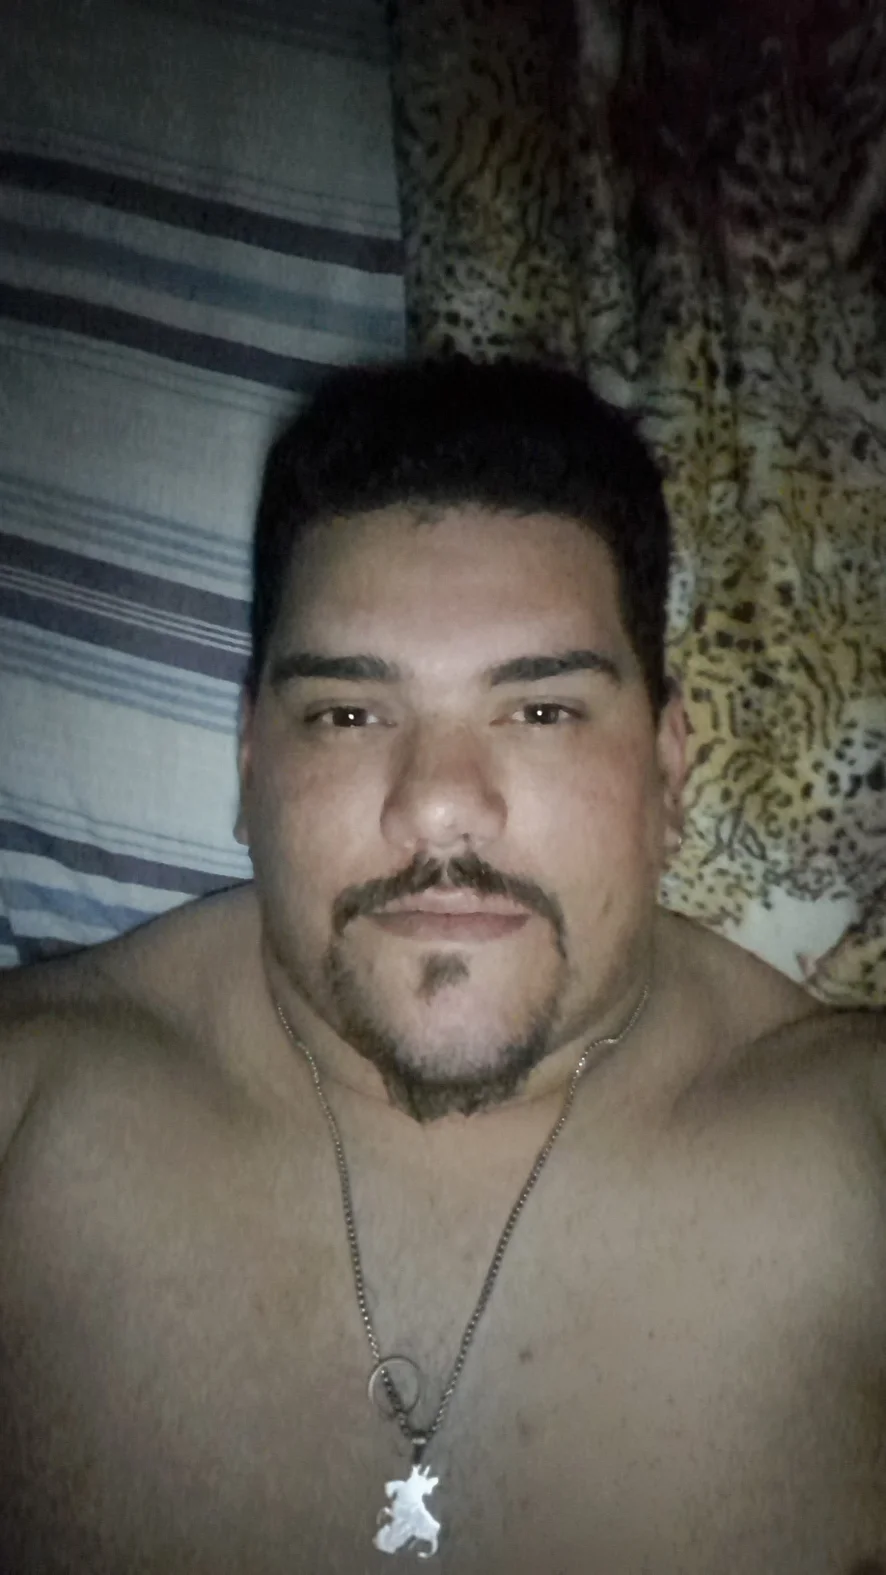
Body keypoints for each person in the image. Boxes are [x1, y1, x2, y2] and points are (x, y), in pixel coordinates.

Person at [0, 356, 884, 1575]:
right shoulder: (29, 1114)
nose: (438, 806)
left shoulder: (856, 1147)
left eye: (541, 711)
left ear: (669, 773)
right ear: (250, 763)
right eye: (348, 714)